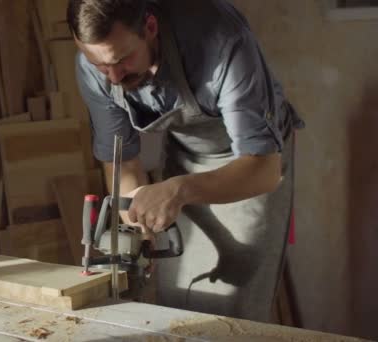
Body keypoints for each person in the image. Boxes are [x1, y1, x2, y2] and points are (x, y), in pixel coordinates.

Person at [67, 0, 305, 322]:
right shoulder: (95, 67)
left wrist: (179, 191)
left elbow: (264, 171)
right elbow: (122, 163)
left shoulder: (221, 41)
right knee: (177, 301)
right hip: (184, 157)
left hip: (248, 165)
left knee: (230, 311)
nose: (112, 77)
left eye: (122, 60)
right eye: (99, 66)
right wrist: (138, 224)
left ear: (150, 27)